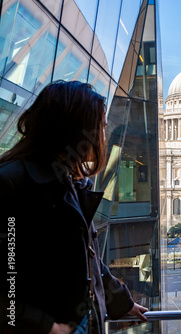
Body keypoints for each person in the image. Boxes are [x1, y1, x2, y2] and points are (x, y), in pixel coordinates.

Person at [0, 81, 148, 334]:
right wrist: (46, 327)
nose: (104, 135)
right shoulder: (11, 184)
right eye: (100, 127)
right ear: (75, 130)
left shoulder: (70, 182)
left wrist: (121, 301)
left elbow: (87, 259)